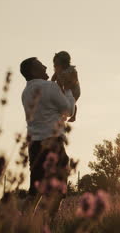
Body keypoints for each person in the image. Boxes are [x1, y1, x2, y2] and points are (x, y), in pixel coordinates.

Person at [19, 57, 75, 213]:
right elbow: (68, 111)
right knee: (58, 190)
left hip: (34, 146)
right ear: (33, 71)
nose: (45, 67)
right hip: (53, 143)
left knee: (34, 191)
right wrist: (68, 90)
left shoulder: (25, 93)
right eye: (40, 65)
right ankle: (48, 224)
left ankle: (23, 224)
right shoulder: (49, 87)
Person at [51, 51, 80, 122]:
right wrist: (51, 83)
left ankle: (73, 116)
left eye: (57, 64)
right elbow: (53, 78)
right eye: (55, 64)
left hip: (73, 89)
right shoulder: (58, 71)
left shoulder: (72, 70)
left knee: (71, 102)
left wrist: (68, 86)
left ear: (65, 63)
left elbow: (74, 80)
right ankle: (63, 114)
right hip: (63, 87)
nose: (55, 66)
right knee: (63, 101)